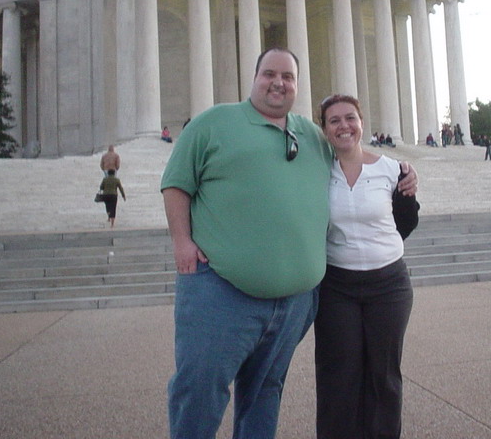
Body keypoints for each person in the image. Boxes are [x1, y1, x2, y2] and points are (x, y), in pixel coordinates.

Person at [160, 47, 420, 439]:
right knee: (200, 390)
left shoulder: (311, 136)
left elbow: (356, 161)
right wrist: (182, 241)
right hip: (221, 292)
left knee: (265, 391)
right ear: (255, 77)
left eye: (288, 77)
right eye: (269, 74)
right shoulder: (213, 123)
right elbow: (176, 181)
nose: (278, 83)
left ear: (297, 85)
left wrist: (404, 177)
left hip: (294, 303)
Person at [315, 94, 414, 439]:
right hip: (337, 286)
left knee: (384, 374)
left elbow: (405, 223)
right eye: (334, 120)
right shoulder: (316, 172)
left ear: (361, 123)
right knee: (337, 374)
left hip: (388, 284)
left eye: (350, 118)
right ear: (324, 129)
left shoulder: (393, 169)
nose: (344, 126)